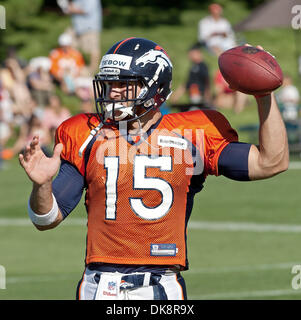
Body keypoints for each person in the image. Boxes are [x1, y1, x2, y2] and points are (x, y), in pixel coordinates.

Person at [19, 38, 289, 300]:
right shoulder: (85, 132)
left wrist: (264, 96)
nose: (112, 92)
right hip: (99, 285)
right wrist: (41, 185)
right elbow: (46, 219)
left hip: (162, 284)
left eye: (123, 84)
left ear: (153, 87)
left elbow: (271, 162)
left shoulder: (194, 133)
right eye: (109, 83)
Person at [58, 0, 102, 74]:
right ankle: (74, 65)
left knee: (92, 49)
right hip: (77, 27)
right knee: (71, 44)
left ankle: (93, 69)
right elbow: (72, 8)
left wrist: (68, 8)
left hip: (89, 27)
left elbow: (86, 10)